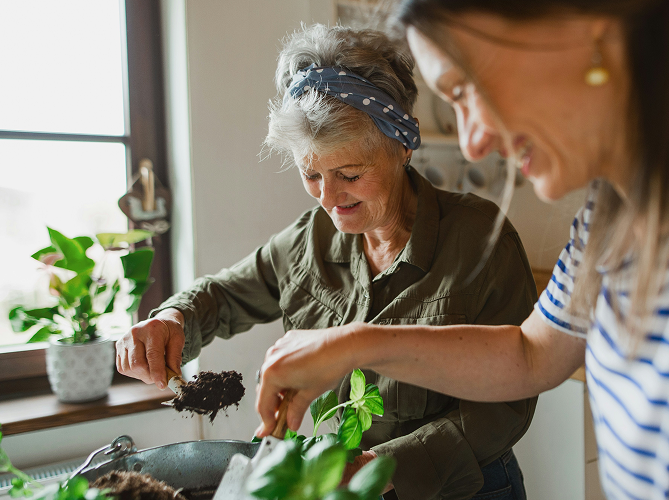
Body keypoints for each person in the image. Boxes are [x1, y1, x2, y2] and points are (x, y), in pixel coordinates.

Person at [255, 1, 669, 499]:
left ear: (587, 25)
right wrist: (353, 346)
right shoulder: (615, 212)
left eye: (465, 88)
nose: (473, 142)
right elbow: (530, 353)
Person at [115, 24, 538, 500]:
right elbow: (224, 295)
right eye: (311, 174)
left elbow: (506, 406)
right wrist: (171, 319)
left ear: (401, 147)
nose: (330, 198)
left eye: (350, 174)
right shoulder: (306, 242)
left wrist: (382, 466)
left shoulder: (480, 240)